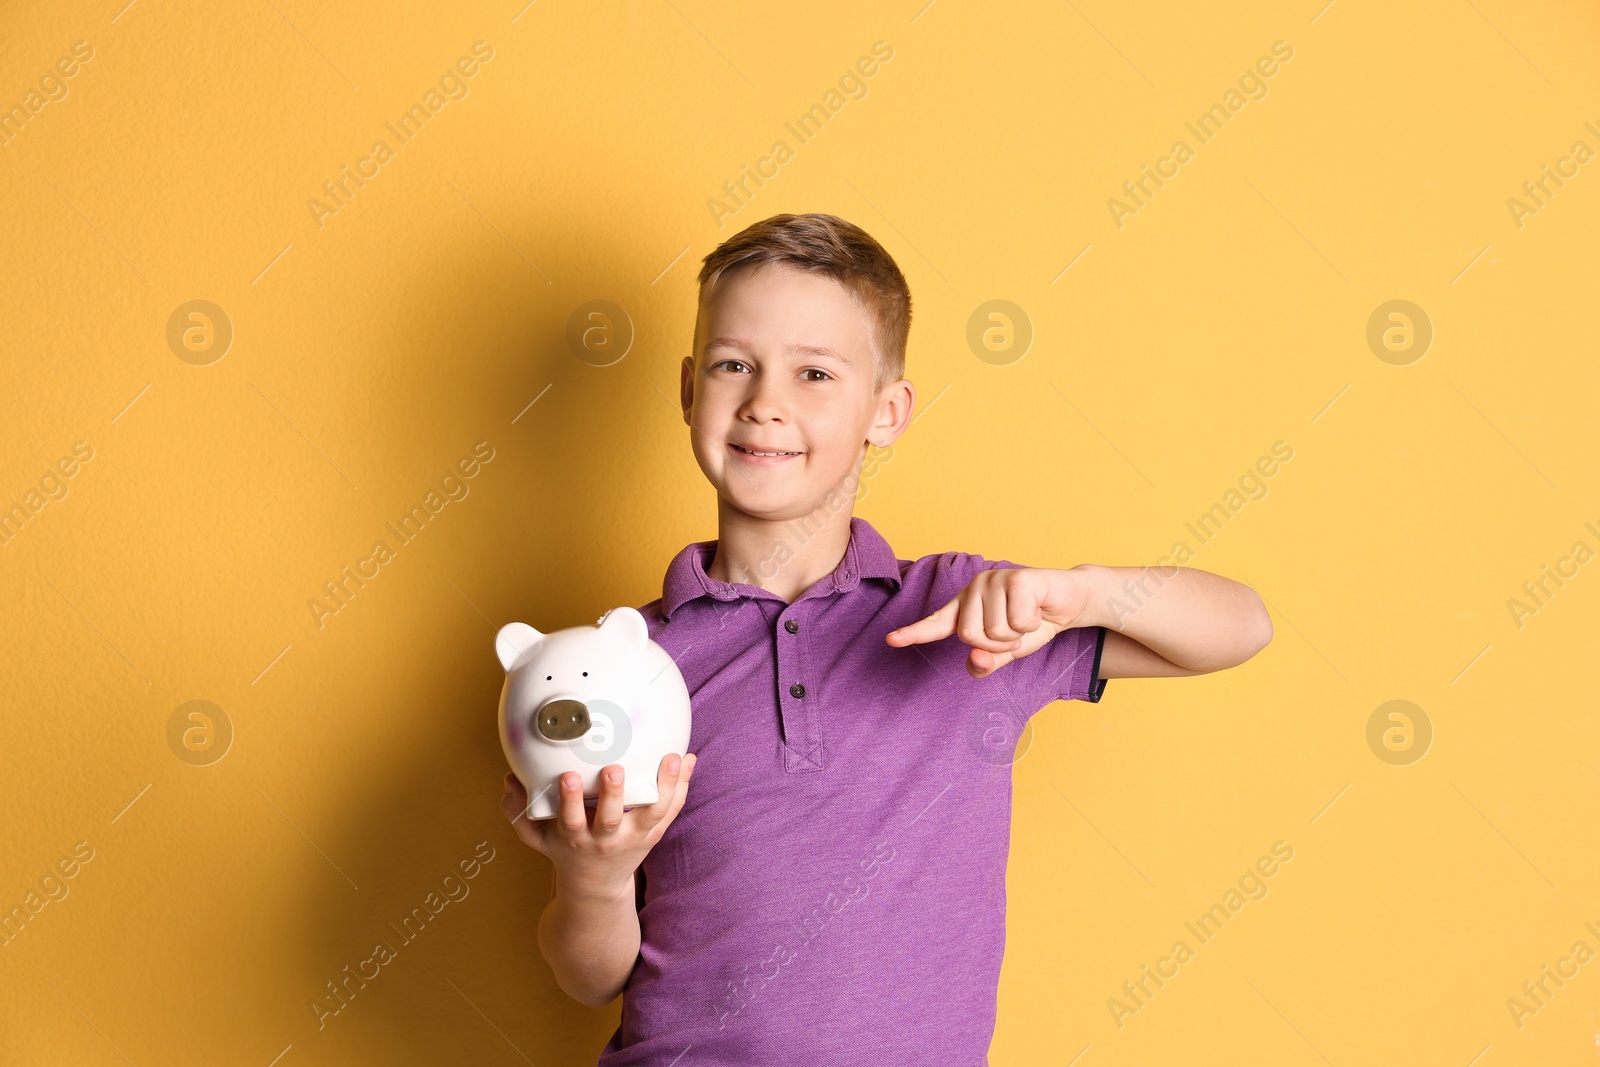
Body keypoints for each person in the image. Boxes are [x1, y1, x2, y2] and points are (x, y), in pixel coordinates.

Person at [500, 212, 1273, 1064]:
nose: (765, 402)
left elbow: (1239, 627)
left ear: (888, 410)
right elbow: (590, 978)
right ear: (689, 390)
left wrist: (1081, 591)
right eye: (733, 365)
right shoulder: (619, 667)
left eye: (815, 372)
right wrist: (598, 874)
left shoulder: (968, 615)